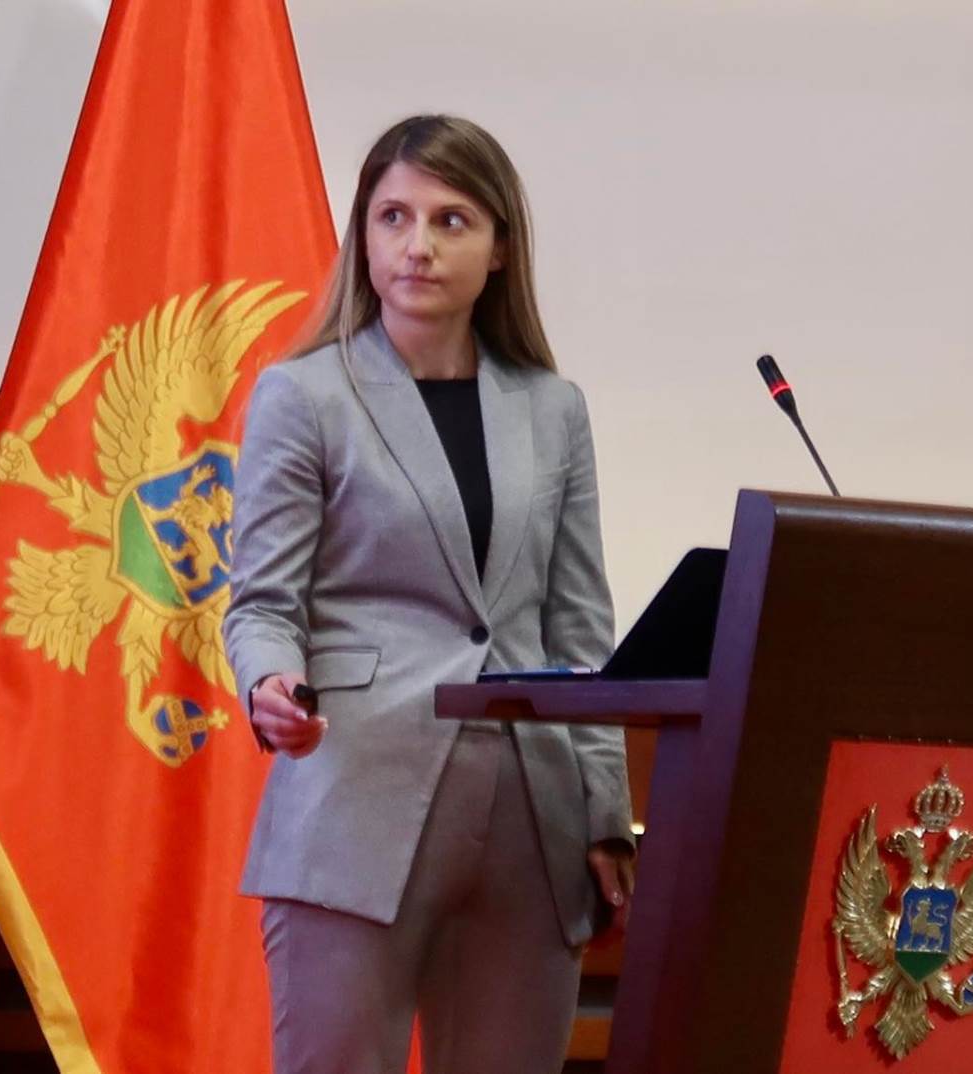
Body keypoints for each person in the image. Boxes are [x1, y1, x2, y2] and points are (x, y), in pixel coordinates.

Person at [222, 114, 636, 1074]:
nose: (418, 245)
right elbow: (263, 604)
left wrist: (605, 812)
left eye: (452, 220)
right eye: (394, 216)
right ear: (363, 239)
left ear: (499, 250)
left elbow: (580, 627)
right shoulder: (304, 395)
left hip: (533, 818)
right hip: (356, 791)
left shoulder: (553, 408)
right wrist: (271, 685)